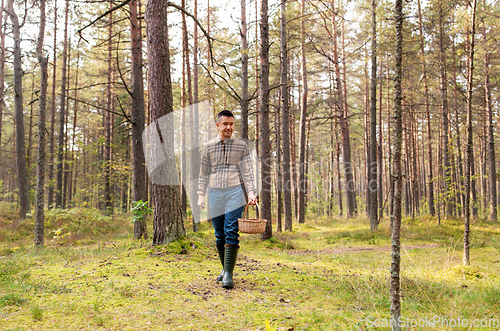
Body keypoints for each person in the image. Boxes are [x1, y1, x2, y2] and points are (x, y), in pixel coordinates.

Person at [197, 110, 257, 289]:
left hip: (235, 193)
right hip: (214, 193)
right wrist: (201, 194)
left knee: (231, 230)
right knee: (219, 234)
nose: (229, 127)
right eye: (225, 124)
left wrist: (251, 192)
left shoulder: (241, 146)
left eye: (231, 124)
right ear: (218, 125)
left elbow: (247, 171)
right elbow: (203, 173)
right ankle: (224, 269)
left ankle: (229, 274)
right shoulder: (208, 146)